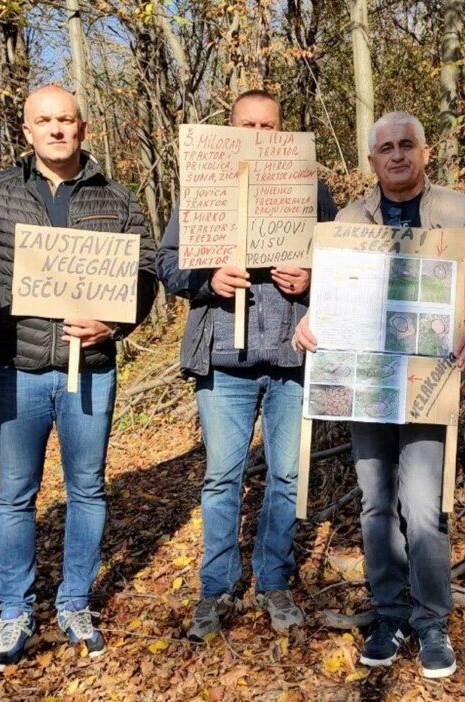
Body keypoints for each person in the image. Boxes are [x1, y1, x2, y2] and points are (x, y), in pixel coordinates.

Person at [293, 111, 465, 678]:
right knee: (375, 503)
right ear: (371, 162)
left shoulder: (457, 211)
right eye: (384, 148)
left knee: (423, 505)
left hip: (428, 381)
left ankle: (431, 620)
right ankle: (388, 614)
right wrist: (310, 322)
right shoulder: (348, 218)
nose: (396, 155)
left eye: (406, 144)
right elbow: (332, 294)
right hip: (365, 385)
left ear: (425, 152)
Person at [0, 85, 157, 670]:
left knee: (88, 489)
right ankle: (14, 610)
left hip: (90, 371)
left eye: (65, 120)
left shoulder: (118, 199)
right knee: (16, 496)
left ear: (82, 128)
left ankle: (75, 601)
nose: (55, 130)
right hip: (17, 370)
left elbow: (145, 274)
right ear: (26, 130)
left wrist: (115, 325)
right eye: (43, 121)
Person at [156, 89, 338, 642]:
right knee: (221, 478)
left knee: (286, 476)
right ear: (232, 131)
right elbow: (165, 263)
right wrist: (206, 279)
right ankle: (216, 589)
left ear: (281, 133)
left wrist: (313, 278)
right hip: (223, 359)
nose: (258, 135)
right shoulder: (206, 191)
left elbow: (346, 260)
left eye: (268, 126)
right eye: (247, 126)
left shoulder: (312, 191)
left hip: (291, 357)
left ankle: (274, 579)